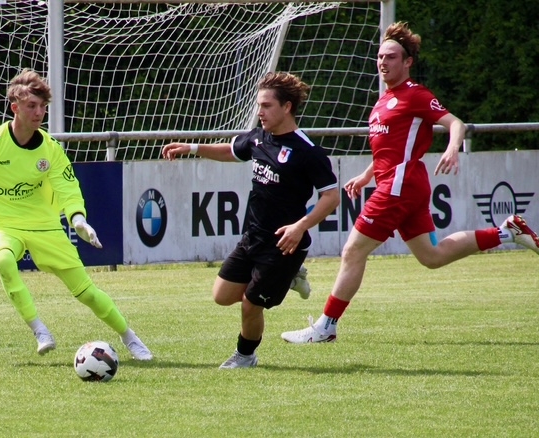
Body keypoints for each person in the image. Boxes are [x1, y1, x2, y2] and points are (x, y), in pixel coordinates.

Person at [280, 22, 539, 345]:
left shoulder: (416, 94)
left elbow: (455, 123)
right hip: (403, 185)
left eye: (391, 57)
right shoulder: (382, 102)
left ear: (407, 62)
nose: (383, 62)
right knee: (432, 256)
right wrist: (367, 175)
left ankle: (326, 326)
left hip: (399, 187)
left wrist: (452, 148)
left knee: (353, 250)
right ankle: (507, 232)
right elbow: (390, 150)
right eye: (380, 57)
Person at [0, 68, 152, 360]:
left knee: (86, 291)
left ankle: (130, 337)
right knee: (4, 260)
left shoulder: (51, 149)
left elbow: (67, 187)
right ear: (15, 107)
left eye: (42, 106)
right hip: (0, 225)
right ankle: (40, 330)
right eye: (31, 106)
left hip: (45, 226)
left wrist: (78, 219)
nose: (39, 113)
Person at [162, 72, 340, 368]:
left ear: (287, 107)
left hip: (284, 245)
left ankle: (245, 356)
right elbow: (232, 151)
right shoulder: (259, 137)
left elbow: (331, 197)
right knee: (221, 296)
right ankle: (291, 277)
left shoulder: (307, 151)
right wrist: (192, 148)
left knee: (250, 304)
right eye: (259, 105)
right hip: (253, 236)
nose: (260, 111)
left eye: (267, 105)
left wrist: (300, 227)